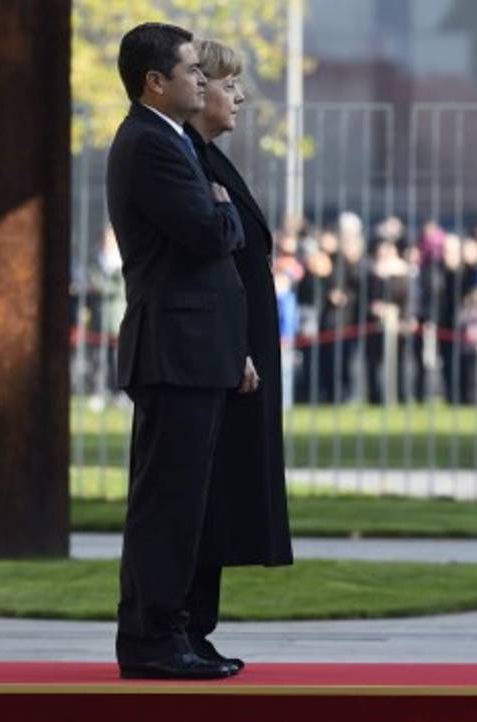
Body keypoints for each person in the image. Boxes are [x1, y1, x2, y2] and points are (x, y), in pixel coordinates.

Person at [106, 22, 255, 680]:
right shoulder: (150, 146)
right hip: (176, 350)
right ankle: (152, 640)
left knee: (184, 502)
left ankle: (175, 633)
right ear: (154, 83)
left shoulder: (170, 142)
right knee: (167, 504)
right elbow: (206, 231)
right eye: (192, 69)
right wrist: (224, 215)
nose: (203, 78)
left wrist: (220, 212)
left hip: (194, 350)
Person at [182, 33, 294, 661]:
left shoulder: (211, 160)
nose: (239, 97)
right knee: (205, 494)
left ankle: (199, 628)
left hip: (239, 353)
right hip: (223, 356)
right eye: (228, 86)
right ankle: (189, 629)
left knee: (219, 493)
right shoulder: (190, 161)